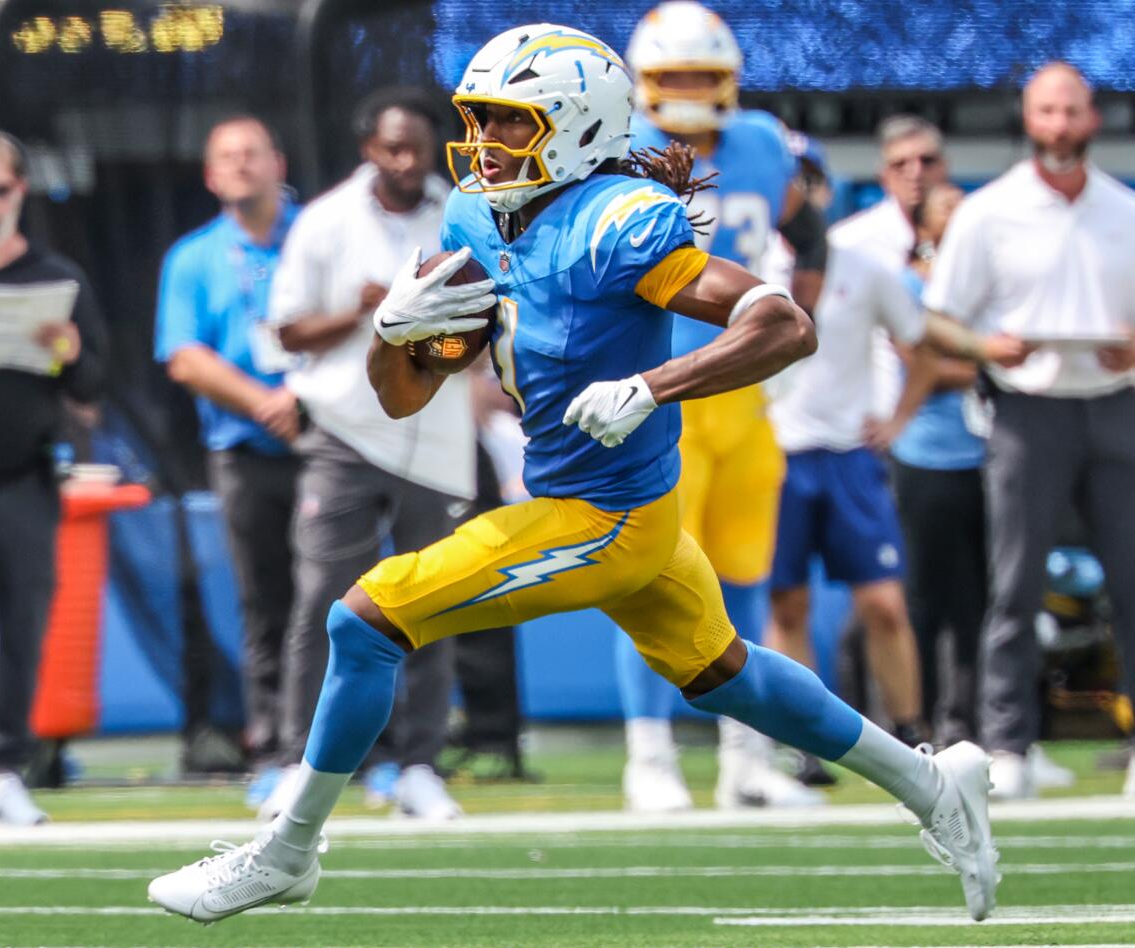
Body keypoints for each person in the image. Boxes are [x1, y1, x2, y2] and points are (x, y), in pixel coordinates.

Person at [148, 24, 1000, 924]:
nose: (483, 146)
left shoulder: (617, 222)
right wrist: (395, 335)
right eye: (477, 121)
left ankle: (287, 850)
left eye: (510, 125)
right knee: (727, 674)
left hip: (606, 514)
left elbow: (783, 322)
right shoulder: (478, 213)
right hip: (607, 502)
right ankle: (934, 783)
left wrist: (652, 383)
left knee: (362, 621)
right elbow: (404, 395)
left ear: (579, 125)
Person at [613, 0, 829, 812]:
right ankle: (651, 757)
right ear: (646, 84)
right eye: (677, 78)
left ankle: (744, 760)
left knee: (742, 578)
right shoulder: (619, 148)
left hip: (741, 395)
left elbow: (811, 234)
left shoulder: (764, 145)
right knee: (650, 579)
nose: (694, 92)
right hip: (656, 389)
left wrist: (795, 318)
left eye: (706, 76)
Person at [922, 63, 1135, 800]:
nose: (1059, 126)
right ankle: (1008, 744)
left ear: (1092, 118)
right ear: (1028, 117)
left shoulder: (1122, 209)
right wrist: (987, 348)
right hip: (1026, 409)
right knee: (1013, 583)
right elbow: (939, 316)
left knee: (1133, 581)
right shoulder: (991, 211)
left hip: (1115, 401)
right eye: (1047, 112)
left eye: (1071, 112)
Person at [263, 87, 473, 821]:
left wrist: (427, 314)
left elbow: (489, 327)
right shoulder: (324, 220)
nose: (406, 161)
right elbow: (285, 331)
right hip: (346, 432)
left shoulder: (466, 216)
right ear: (367, 149)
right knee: (321, 597)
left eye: (417, 147)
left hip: (440, 437)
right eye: (392, 147)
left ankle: (418, 763)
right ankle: (299, 760)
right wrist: (364, 310)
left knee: (435, 604)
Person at [0, 129, 107, 824]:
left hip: (26, 481)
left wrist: (66, 350)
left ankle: (7, 770)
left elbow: (97, 379)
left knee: (24, 627)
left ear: (20, 193)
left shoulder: (54, 275)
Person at [765, 117, 947, 754]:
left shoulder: (862, 267)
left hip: (847, 455)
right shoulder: (744, 263)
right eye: (782, 183)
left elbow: (922, 349)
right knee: (786, 606)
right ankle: (803, 744)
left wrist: (894, 421)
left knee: (883, 605)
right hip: (774, 455)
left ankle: (911, 735)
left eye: (806, 182)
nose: (794, 195)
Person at [155, 116, 301, 795]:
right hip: (244, 451)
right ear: (211, 176)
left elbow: (372, 324)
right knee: (264, 606)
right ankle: (274, 753)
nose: (241, 165)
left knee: (355, 599)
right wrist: (263, 402)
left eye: (252, 152)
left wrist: (305, 397)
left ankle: (379, 751)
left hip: (334, 443)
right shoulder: (192, 257)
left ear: (278, 161)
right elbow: (184, 357)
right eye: (226, 157)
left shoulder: (319, 233)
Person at [865, 183, 986, 748]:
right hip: (924, 456)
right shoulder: (907, 283)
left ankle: (971, 726)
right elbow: (924, 364)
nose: (957, 220)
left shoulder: (984, 289)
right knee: (919, 597)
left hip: (985, 455)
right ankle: (917, 726)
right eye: (946, 209)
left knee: (978, 600)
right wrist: (992, 360)